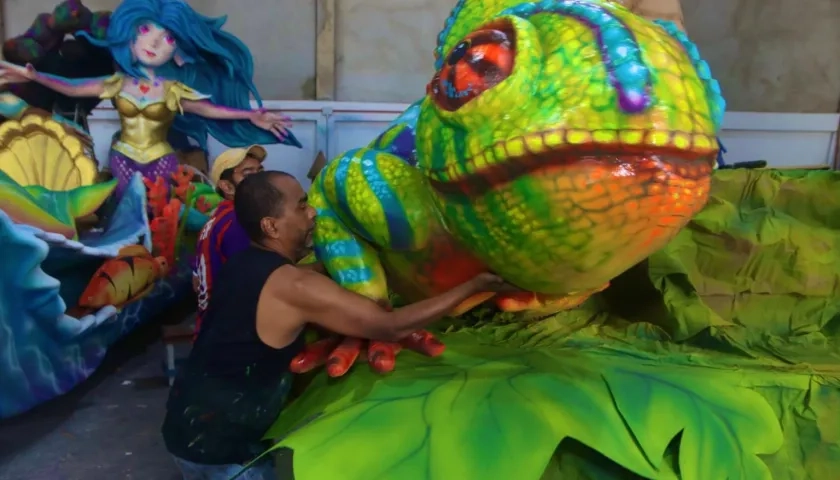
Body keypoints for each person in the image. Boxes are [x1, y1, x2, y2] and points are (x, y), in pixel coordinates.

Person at [162, 171, 514, 479]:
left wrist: (375, 261)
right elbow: (388, 327)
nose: (312, 212)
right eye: (301, 206)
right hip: (224, 449)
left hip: (184, 426)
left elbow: (314, 276)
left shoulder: (245, 264)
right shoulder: (294, 287)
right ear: (271, 226)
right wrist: (473, 286)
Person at [0, 0, 299, 200]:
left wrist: (249, 116)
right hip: (122, 158)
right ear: (129, 35)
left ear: (177, 50)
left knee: (163, 219)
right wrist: (34, 76)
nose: (154, 42)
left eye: (168, 38)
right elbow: (73, 88)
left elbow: (208, 109)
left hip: (160, 160)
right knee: (124, 215)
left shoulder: (172, 89)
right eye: (145, 30)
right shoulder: (117, 83)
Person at [192, 145, 266, 338]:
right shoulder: (238, 221)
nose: (259, 179)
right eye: (248, 173)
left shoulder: (217, 217)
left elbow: (196, 280)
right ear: (226, 187)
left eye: (260, 172)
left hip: (211, 330)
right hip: (230, 336)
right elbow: (256, 281)